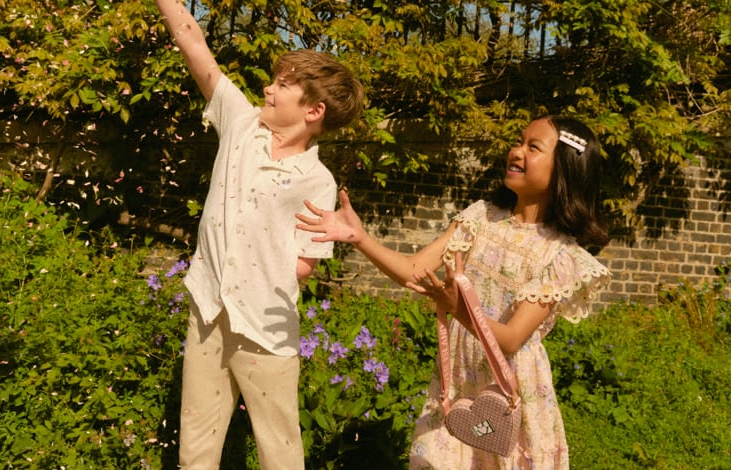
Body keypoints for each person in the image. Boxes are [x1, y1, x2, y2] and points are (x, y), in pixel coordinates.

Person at [296, 115, 611, 469]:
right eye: (518, 141)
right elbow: (415, 270)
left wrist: (458, 309)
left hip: (510, 395)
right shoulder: (481, 218)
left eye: (533, 147)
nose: (516, 151)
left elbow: (511, 339)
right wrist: (360, 238)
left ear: (564, 169)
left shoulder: (560, 256)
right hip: (459, 380)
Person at [154, 1, 365, 468]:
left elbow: (304, 266)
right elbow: (192, 41)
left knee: (279, 450)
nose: (268, 89)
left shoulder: (319, 181)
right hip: (208, 311)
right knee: (196, 448)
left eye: (283, 85)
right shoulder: (240, 123)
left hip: (266, 331)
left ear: (314, 110)